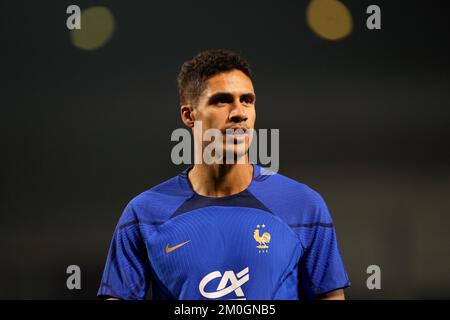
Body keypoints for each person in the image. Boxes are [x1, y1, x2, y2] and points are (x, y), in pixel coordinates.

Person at [97, 49, 350, 300]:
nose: (239, 112)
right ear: (189, 115)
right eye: (222, 100)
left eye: (247, 100)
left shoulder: (304, 206)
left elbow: (328, 296)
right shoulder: (144, 214)